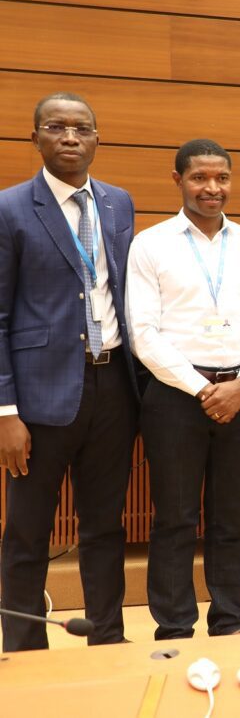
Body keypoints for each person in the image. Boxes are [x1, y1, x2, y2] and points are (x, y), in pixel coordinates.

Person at [0, 93, 141, 651]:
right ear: (34, 137)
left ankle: (107, 637)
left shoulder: (117, 204)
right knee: (28, 533)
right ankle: (25, 645)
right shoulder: (10, 209)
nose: (69, 137)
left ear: (96, 139)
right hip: (37, 399)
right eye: (55, 127)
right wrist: (5, 410)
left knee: (105, 526)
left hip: (112, 388)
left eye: (81, 128)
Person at [127, 139, 240, 639]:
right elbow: (143, 333)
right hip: (175, 396)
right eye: (200, 178)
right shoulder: (150, 244)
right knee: (175, 516)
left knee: (231, 516)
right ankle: (173, 625)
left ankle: (230, 619)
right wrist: (201, 389)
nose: (212, 188)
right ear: (178, 180)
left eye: (221, 179)